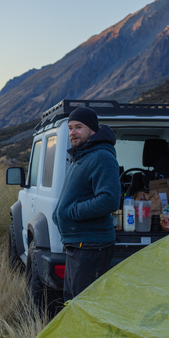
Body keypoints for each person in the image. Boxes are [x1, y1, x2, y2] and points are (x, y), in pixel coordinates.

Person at [52, 106, 121, 302]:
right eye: (70, 128)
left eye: (79, 127)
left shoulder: (101, 157)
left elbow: (109, 200)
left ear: (92, 129)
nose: (73, 132)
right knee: (72, 300)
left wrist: (71, 212)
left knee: (84, 304)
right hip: (79, 243)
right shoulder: (83, 155)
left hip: (91, 246)